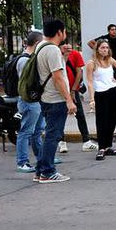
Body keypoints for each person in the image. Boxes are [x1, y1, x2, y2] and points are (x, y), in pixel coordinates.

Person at [35, 19, 77, 183]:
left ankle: (40, 171)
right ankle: (47, 172)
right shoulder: (52, 50)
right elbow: (58, 77)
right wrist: (69, 100)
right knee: (53, 136)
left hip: (46, 98)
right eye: (64, 30)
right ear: (59, 32)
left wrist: (64, 57)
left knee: (49, 136)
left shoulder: (41, 46)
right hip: (55, 99)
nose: (65, 34)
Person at [85, 39, 116, 161]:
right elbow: (90, 82)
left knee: (112, 119)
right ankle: (101, 148)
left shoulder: (110, 60)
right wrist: (92, 99)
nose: (105, 50)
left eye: (106, 48)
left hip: (113, 91)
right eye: (102, 48)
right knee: (102, 121)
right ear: (97, 49)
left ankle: (108, 146)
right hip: (101, 94)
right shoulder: (92, 63)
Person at [58, 40, 98, 153]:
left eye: (68, 46)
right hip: (60, 91)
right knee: (60, 116)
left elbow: (79, 72)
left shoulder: (75, 54)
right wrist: (64, 57)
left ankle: (86, 141)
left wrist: (73, 90)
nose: (67, 48)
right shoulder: (56, 56)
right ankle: (61, 142)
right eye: (64, 46)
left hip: (72, 90)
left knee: (79, 114)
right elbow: (58, 73)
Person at [14, 31, 45, 173]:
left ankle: (41, 157)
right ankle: (22, 162)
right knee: (26, 131)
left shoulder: (29, 59)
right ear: (38, 43)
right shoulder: (24, 60)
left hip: (34, 100)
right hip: (29, 100)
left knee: (37, 131)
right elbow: (28, 82)